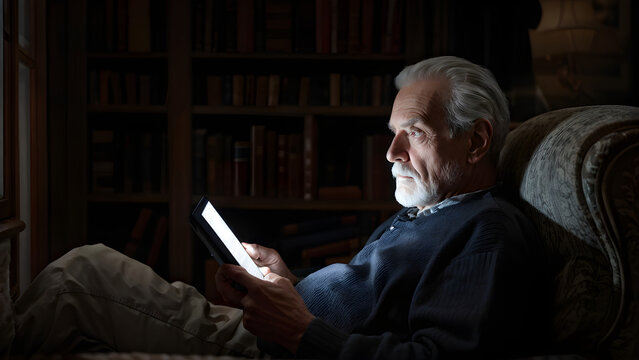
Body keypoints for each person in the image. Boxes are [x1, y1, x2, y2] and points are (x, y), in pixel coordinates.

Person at [11, 56, 546, 359]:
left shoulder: (488, 233)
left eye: (414, 133)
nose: (390, 153)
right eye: (392, 134)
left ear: (476, 142)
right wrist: (287, 284)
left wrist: (298, 329)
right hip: (277, 332)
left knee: (74, 280)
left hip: (280, 351)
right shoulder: (437, 207)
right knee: (86, 268)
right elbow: (373, 302)